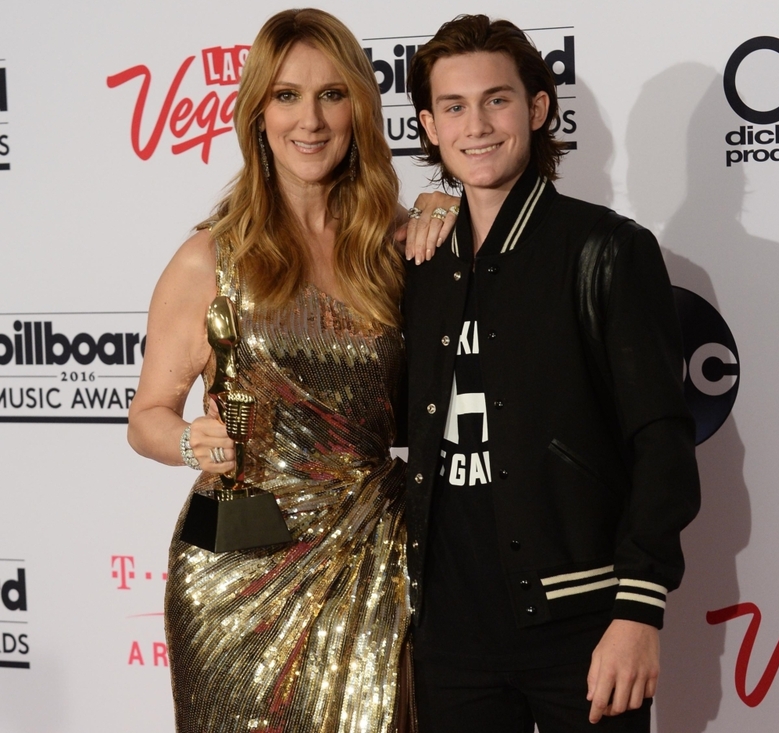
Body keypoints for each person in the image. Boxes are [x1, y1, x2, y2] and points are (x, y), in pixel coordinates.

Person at [127, 8, 454, 732]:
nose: (310, 119)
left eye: (332, 95)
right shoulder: (207, 258)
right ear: (257, 112)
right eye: (287, 95)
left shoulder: (398, 246)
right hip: (233, 574)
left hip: (372, 562)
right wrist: (189, 440)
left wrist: (444, 202)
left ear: (359, 110)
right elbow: (146, 416)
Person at [402, 15, 701, 732]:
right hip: (448, 632)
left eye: (497, 100)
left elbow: (661, 439)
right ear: (429, 125)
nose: (477, 124)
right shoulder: (414, 263)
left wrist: (639, 608)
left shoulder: (607, 249)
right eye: (454, 106)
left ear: (536, 109)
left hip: (584, 621)